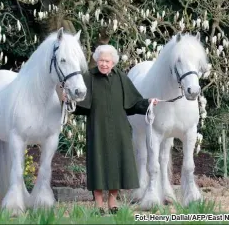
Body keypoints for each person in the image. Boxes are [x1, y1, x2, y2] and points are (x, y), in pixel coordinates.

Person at [62, 45, 158, 215]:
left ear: (113, 62)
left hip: (119, 129)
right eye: (101, 60)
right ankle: (99, 203)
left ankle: (112, 201)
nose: (104, 64)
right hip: (97, 128)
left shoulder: (121, 77)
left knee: (117, 164)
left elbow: (133, 103)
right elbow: (79, 104)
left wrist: (149, 102)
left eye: (107, 61)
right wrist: (68, 100)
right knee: (97, 164)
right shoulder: (88, 77)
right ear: (96, 61)